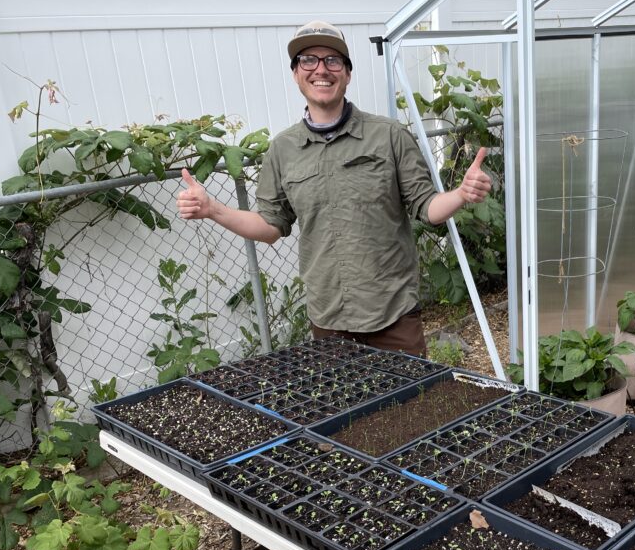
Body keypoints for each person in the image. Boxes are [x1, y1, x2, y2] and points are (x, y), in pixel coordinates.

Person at [176, 20, 492, 356]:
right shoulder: (282, 150)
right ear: (296, 74)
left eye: (333, 60)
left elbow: (427, 208)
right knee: (346, 408)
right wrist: (212, 210)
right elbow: (270, 227)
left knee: (411, 407)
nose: (321, 69)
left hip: (393, 315)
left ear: (347, 73)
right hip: (328, 320)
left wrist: (460, 194)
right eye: (308, 60)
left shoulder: (388, 135)